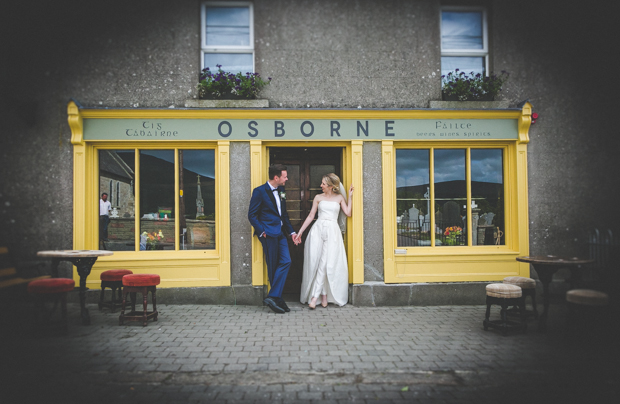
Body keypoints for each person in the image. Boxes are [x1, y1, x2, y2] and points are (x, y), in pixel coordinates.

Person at [294, 173, 353, 309]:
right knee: (317, 262)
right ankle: (324, 295)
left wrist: (349, 197)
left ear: (331, 186)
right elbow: (310, 216)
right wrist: (300, 232)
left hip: (332, 231)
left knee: (326, 263)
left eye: (323, 184)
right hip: (318, 230)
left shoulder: (339, 198)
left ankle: (315, 297)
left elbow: (348, 213)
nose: (321, 186)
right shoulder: (318, 197)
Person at [248, 164, 300, 314]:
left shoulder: (282, 190)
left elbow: (283, 214)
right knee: (272, 266)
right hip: (268, 234)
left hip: (281, 233)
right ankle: (277, 298)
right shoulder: (259, 191)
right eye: (285, 176)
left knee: (286, 261)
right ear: (276, 177)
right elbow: (251, 215)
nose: (287, 179)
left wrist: (291, 232)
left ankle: (273, 296)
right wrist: (261, 231)